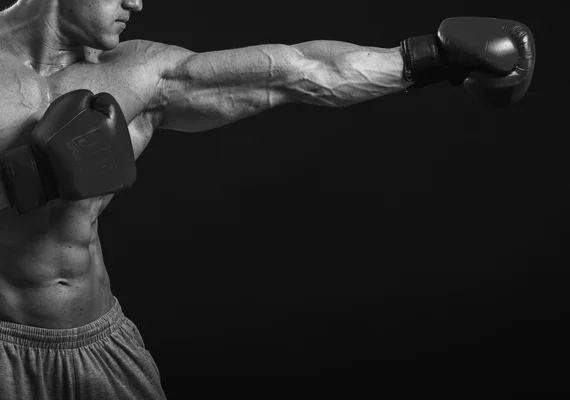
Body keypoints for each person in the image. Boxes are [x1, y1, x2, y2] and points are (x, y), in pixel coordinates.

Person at [0, 0, 535, 398]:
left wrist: (434, 58)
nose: (137, 3)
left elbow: (301, 73)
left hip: (100, 348)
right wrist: (34, 176)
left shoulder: (139, 70)